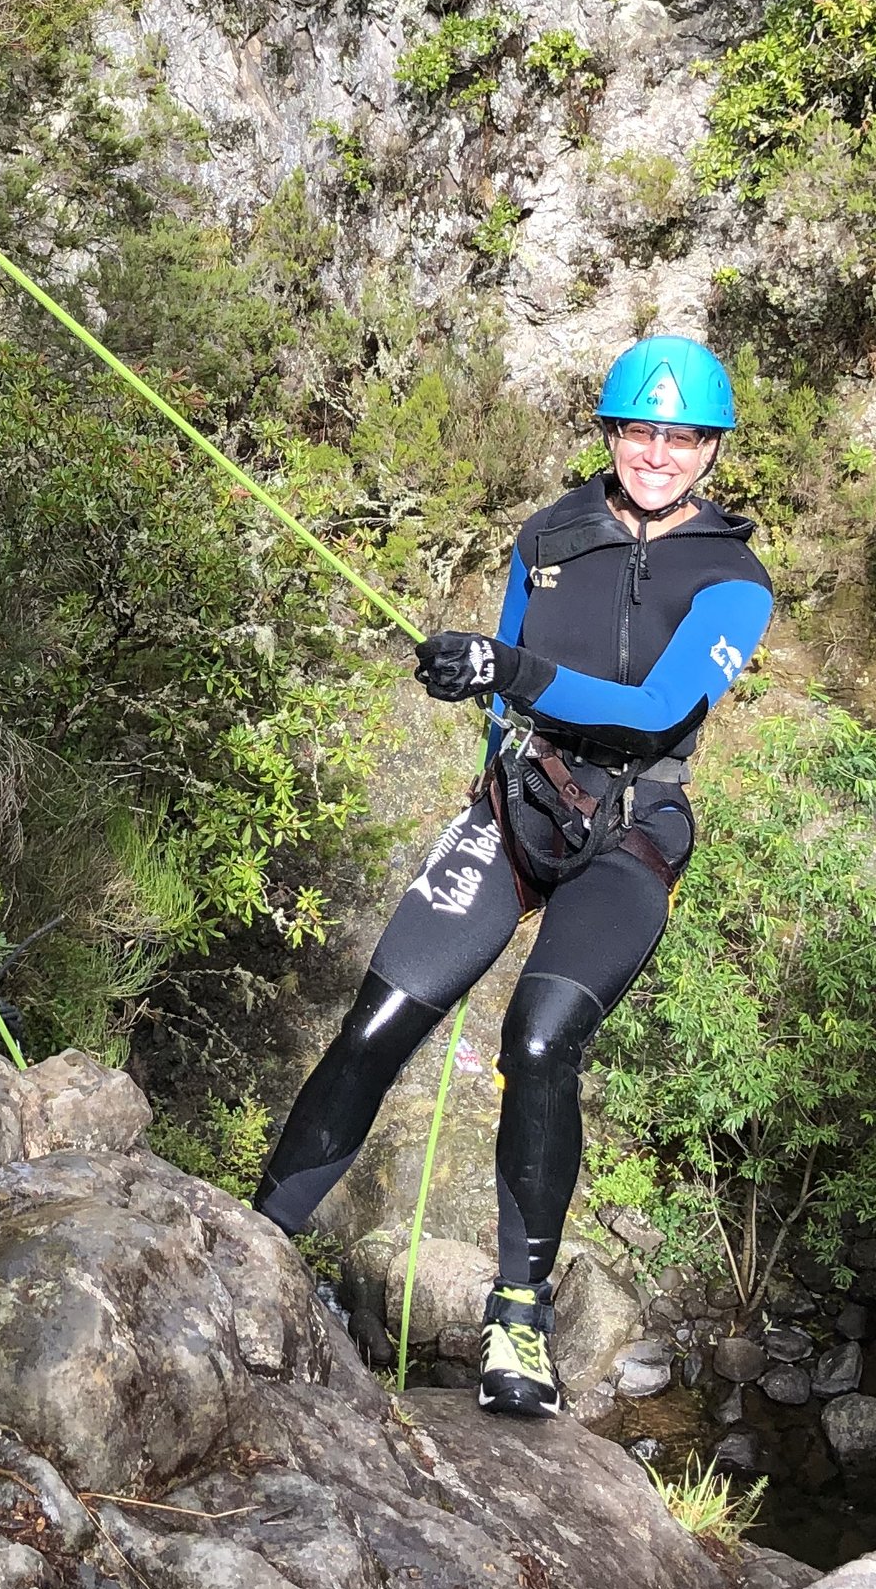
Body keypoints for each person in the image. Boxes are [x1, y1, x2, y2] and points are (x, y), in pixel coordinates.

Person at [254, 335, 771, 1415]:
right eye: (639, 430)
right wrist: (480, 688)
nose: (658, 454)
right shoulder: (548, 536)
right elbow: (501, 687)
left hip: (629, 836)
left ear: (712, 449)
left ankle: (521, 1318)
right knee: (378, 1021)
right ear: (611, 433)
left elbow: (654, 709)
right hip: (516, 809)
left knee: (539, 1043)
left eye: (681, 437)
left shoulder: (733, 582)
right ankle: (252, 1242)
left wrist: (511, 669)